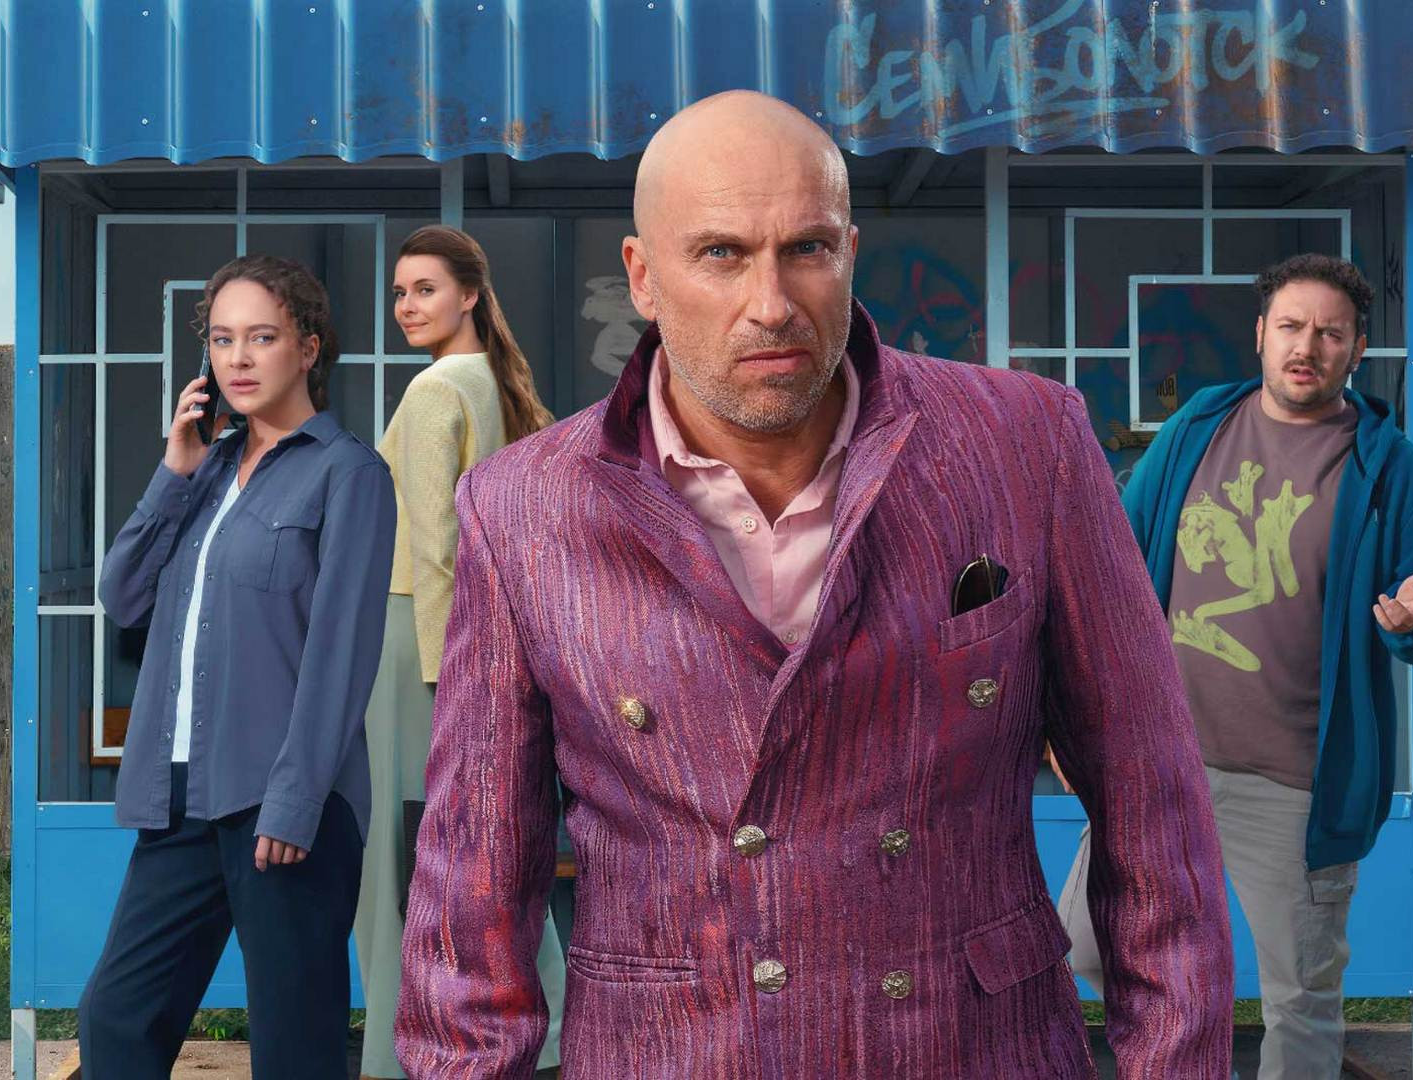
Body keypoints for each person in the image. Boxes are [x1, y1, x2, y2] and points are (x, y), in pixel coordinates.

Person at [393, 90, 1234, 1077]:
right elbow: (474, 879)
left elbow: (1151, 802)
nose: (772, 303)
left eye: (807, 248)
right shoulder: (523, 507)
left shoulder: (1025, 442)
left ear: (850, 251)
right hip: (672, 1055)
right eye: (721, 253)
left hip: (972, 1049)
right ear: (643, 276)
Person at [1058, 253, 1413, 1079]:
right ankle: (1186, 1034)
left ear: (1356, 349)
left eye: (1330, 333)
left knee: (1301, 1000)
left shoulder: (1384, 465)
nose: (1306, 346)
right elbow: (1114, 558)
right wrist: (1076, 715)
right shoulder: (1198, 428)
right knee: (1083, 945)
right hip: (1162, 764)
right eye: (1290, 326)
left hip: (1295, 787)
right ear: (1260, 333)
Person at [79, 255, 397, 1079]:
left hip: (284, 805)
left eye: (262, 337)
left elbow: (340, 655)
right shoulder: (206, 469)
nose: (239, 358)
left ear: (309, 348)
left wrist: (295, 804)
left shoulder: (350, 474)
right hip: (181, 798)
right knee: (116, 1019)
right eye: (222, 340)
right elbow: (123, 596)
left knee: (294, 1049)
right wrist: (173, 472)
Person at [355, 225, 565, 1079]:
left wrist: (447, 679)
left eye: (425, 290)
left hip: (417, 640)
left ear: (470, 294)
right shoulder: (498, 386)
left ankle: (389, 1052)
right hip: (475, 639)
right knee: (486, 843)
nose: (407, 306)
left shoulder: (436, 389)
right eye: (399, 293)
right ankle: (551, 1030)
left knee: (392, 859)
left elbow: (435, 546)